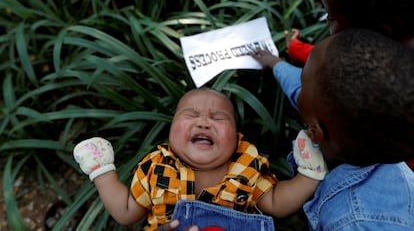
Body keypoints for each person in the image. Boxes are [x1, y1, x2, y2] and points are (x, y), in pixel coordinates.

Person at [73, 87, 326, 230]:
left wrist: (308, 177)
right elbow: (127, 211)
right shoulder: (156, 167)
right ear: (171, 131)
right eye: (191, 115)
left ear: (237, 137)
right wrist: (103, 172)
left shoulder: (247, 165)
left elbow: (275, 203)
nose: (204, 122)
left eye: (218, 118)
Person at [251, 0, 414, 111]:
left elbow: (307, 98)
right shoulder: (391, 45)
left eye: (332, 16)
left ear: (377, 33)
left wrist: (276, 64)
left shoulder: (361, 91)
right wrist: (296, 48)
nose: (326, 20)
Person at [298, 28, 414, 229]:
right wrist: (276, 64)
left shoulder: (354, 223)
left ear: (316, 132)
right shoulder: (383, 141)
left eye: (302, 83)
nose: (299, 86)